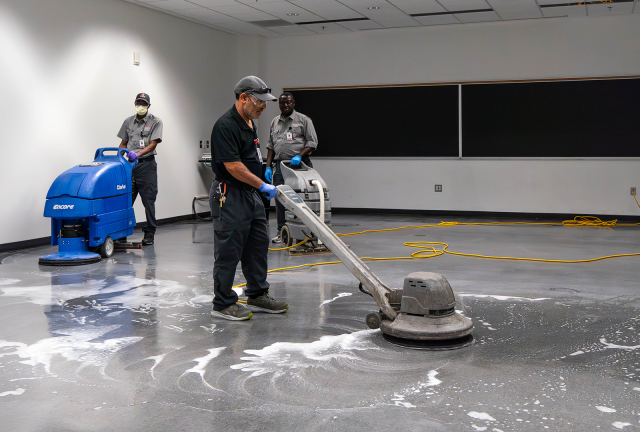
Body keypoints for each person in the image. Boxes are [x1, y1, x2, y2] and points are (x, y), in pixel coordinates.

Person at [209, 76, 289, 321]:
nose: (264, 107)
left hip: (250, 195)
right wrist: (262, 184)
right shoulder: (225, 126)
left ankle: (257, 294)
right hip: (230, 194)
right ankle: (222, 303)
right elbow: (233, 166)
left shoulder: (249, 122)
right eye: (259, 102)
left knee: (257, 246)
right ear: (243, 98)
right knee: (229, 251)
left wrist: (258, 183)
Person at [265, 92, 318, 244]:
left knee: (303, 199)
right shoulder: (274, 122)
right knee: (281, 199)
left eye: (288, 102)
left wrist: (299, 156)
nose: (286, 105)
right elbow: (270, 146)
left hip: (300, 165)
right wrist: (268, 167)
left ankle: (307, 232)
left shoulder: (303, 120)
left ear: (294, 103)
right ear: (279, 105)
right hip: (281, 166)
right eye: (282, 103)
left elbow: (312, 143)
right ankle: (282, 232)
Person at [117, 93, 163, 246]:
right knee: (125, 199)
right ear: (135, 104)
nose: (140, 106)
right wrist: (121, 157)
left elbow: (153, 144)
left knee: (148, 200)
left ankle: (149, 232)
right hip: (129, 165)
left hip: (146, 165)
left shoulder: (155, 122)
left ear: (148, 106)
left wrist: (137, 154)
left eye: (144, 104)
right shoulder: (128, 122)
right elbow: (123, 143)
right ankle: (122, 232)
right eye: (138, 103)